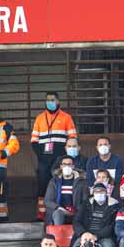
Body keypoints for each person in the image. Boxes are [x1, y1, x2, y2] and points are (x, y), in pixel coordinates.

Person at [32, 92, 77, 221]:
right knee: (42, 185)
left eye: (52, 100)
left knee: (60, 184)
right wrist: (40, 155)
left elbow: (72, 138)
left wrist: (66, 157)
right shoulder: (40, 118)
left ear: (58, 101)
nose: (49, 102)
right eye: (47, 100)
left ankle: (62, 212)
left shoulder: (66, 117)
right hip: (43, 159)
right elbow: (34, 140)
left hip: (60, 159)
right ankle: (41, 214)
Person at [72, 183, 117, 247]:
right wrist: (83, 233)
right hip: (86, 234)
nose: (99, 194)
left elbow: (112, 225)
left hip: (104, 236)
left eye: (101, 191)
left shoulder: (114, 205)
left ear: (106, 192)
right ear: (93, 193)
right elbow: (76, 221)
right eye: (96, 191)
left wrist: (96, 236)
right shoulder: (85, 204)